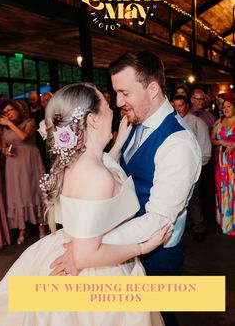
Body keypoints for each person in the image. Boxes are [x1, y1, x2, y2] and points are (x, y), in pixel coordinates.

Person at [0, 83, 171, 326]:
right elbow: (86, 255)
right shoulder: (94, 175)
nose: (113, 109)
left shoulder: (83, 160)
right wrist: (142, 248)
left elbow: (104, 170)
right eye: (105, 103)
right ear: (92, 119)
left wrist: (118, 143)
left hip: (65, 246)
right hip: (96, 271)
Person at [51, 51, 201, 326]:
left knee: (159, 317)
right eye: (115, 93)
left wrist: (91, 249)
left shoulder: (178, 144)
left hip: (156, 254)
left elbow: (159, 220)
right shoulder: (133, 123)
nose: (118, 102)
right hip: (119, 250)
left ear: (153, 88)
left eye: (124, 93)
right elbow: (118, 171)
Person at [0, 100, 46, 243]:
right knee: (17, 194)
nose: (7, 114)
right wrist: (5, 151)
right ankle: (22, 228)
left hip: (30, 161)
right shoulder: (3, 129)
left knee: (33, 191)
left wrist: (8, 123)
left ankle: (41, 226)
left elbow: (24, 136)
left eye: (10, 111)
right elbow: (3, 146)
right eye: (5, 113)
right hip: (13, 164)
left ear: (18, 109)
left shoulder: (29, 121)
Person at [173, 95, 211, 242]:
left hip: (194, 167)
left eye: (180, 105)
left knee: (194, 199)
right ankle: (186, 224)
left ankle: (199, 228)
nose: (177, 109)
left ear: (187, 106)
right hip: (177, 168)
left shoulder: (197, 123)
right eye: (175, 105)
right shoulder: (172, 122)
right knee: (180, 199)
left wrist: (197, 167)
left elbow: (205, 147)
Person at [211, 93, 235, 235]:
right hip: (221, 163)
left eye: (228, 106)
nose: (225, 109)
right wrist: (221, 142)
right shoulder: (218, 122)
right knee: (224, 192)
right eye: (223, 107)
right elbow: (212, 139)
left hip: (233, 163)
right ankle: (227, 223)